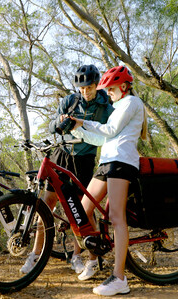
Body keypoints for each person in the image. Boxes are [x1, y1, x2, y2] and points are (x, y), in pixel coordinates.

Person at [20, 64, 114, 274]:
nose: (85, 91)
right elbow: (52, 126)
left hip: (84, 160)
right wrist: (60, 121)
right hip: (61, 155)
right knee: (47, 205)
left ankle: (78, 257)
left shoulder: (106, 106)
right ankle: (34, 255)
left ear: (96, 84)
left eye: (88, 87)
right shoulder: (70, 101)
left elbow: (111, 132)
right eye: (81, 88)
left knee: (81, 210)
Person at [70, 65, 147, 296]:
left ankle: (119, 278)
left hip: (122, 163)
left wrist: (84, 123)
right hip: (107, 162)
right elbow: (100, 137)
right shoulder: (118, 106)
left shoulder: (132, 103)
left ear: (123, 86)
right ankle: (93, 257)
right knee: (83, 209)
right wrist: (76, 128)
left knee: (116, 217)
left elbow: (110, 130)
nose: (108, 92)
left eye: (110, 88)